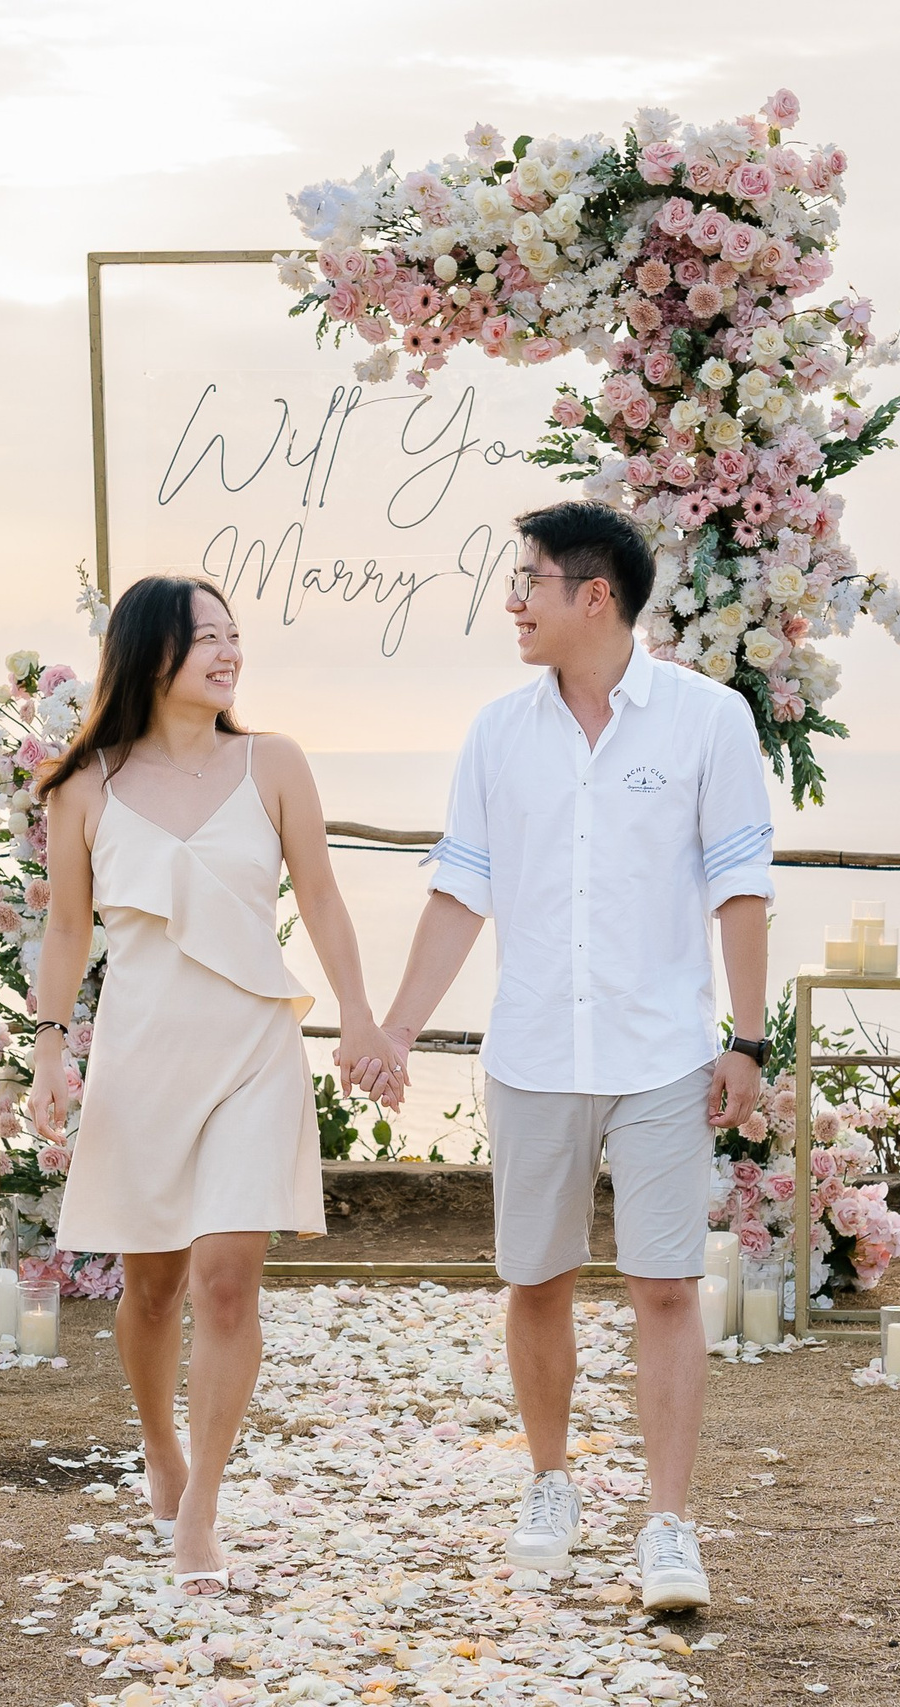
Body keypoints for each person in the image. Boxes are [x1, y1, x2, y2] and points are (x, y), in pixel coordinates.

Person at [371, 501, 773, 1612]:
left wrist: (745, 1037)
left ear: (591, 596)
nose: (512, 600)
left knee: (663, 1288)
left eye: (528, 581)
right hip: (536, 1050)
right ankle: (550, 1484)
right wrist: (399, 1027)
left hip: (659, 1055)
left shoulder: (708, 720)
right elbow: (461, 895)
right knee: (534, 1280)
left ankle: (668, 1523)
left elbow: (742, 886)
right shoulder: (498, 732)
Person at [29, 574, 395, 1595]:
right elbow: (67, 927)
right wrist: (51, 1048)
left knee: (226, 1278)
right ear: (150, 653)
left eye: (235, 635)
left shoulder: (272, 763)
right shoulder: (84, 787)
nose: (228, 653)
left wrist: (359, 1016)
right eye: (206, 639)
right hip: (143, 1054)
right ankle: (159, 1446)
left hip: (251, 1048)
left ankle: (202, 1509)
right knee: (148, 1285)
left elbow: (318, 893)